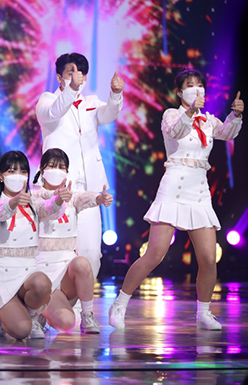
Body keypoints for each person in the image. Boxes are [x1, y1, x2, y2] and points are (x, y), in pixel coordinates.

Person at [109, 69, 243, 331]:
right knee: (155, 254)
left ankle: (203, 313)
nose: (197, 88)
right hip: (174, 186)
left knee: (208, 258)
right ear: (180, 92)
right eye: (190, 85)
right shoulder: (172, 114)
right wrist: (190, 111)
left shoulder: (208, 120)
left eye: (200, 84)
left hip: (199, 189)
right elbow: (177, 131)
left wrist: (236, 115)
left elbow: (227, 133)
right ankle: (120, 303)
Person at [36, 53, 124, 278]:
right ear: (59, 77)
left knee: (91, 252)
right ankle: (55, 295)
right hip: (59, 189)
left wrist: (115, 94)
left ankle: (82, 298)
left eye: (81, 73)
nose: (78, 77)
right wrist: (72, 89)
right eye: (71, 73)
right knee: (58, 251)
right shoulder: (47, 101)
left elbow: (109, 113)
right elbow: (54, 111)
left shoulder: (91, 103)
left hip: (89, 187)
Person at [0, 150, 70, 340]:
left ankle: (32, 315)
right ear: (1, 175)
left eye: (23, 171)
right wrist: (13, 202)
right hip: (3, 276)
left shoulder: (33, 203)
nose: (18, 176)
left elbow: (50, 210)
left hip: (28, 271)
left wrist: (59, 199)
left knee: (42, 283)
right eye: (12, 171)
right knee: (21, 331)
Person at [32, 148, 112, 334]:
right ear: (42, 170)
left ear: (67, 172)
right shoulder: (33, 197)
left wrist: (99, 198)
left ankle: (87, 315)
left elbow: (85, 198)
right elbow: (47, 208)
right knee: (66, 323)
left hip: (66, 275)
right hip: (43, 274)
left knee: (82, 263)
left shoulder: (72, 196)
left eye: (61, 167)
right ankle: (40, 311)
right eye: (52, 166)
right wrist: (58, 200)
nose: (57, 170)